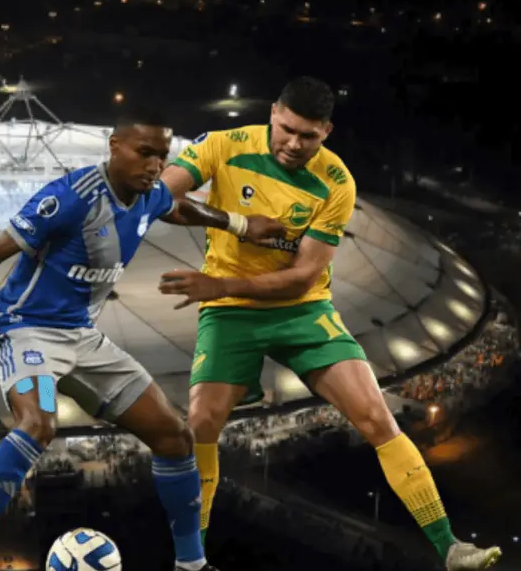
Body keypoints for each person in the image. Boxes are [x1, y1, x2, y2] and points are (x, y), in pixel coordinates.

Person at [0, 111, 286, 571]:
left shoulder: (149, 194)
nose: (155, 166)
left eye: (161, 156)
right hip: (26, 332)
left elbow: (177, 206)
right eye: (144, 153)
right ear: (114, 147)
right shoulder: (71, 198)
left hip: (83, 339)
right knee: (39, 423)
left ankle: (191, 564)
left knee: (175, 436)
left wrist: (240, 225)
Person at [158, 76, 502, 571]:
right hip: (231, 310)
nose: (294, 144)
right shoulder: (223, 146)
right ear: (273, 113)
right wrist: (236, 224)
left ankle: (451, 547)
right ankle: (190, 563)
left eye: (308, 136)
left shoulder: (336, 182)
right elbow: (160, 199)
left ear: (326, 132)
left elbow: (302, 278)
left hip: (300, 309)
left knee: (376, 418)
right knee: (202, 423)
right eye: (287, 129)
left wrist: (221, 284)